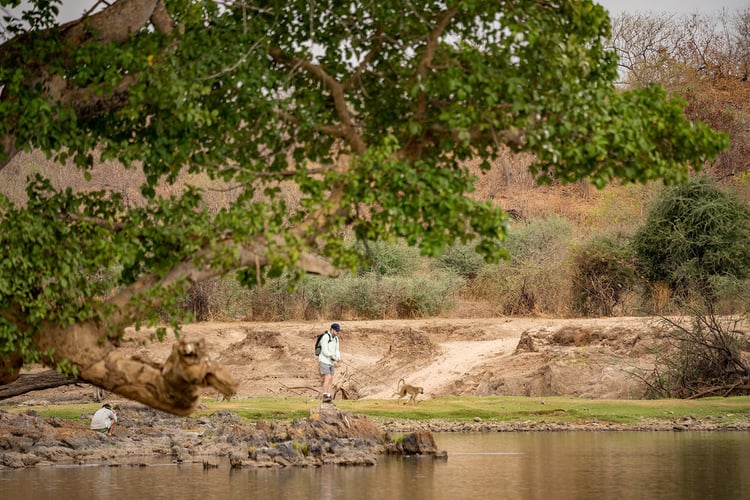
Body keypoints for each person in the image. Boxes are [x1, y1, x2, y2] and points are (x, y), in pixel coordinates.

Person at [318, 323, 342, 403]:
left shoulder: (336, 338)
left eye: (338, 331)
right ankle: (325, 395)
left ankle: (328, 394)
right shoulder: (325, 337)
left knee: (331, 378)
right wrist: (332, 356)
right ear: (332, 329)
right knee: (327, 377)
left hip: (331, 362)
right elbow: (324, 351)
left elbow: (337, 350)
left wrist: (338, 357)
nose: (337, 333)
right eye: (336, 331)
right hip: (324, 360)